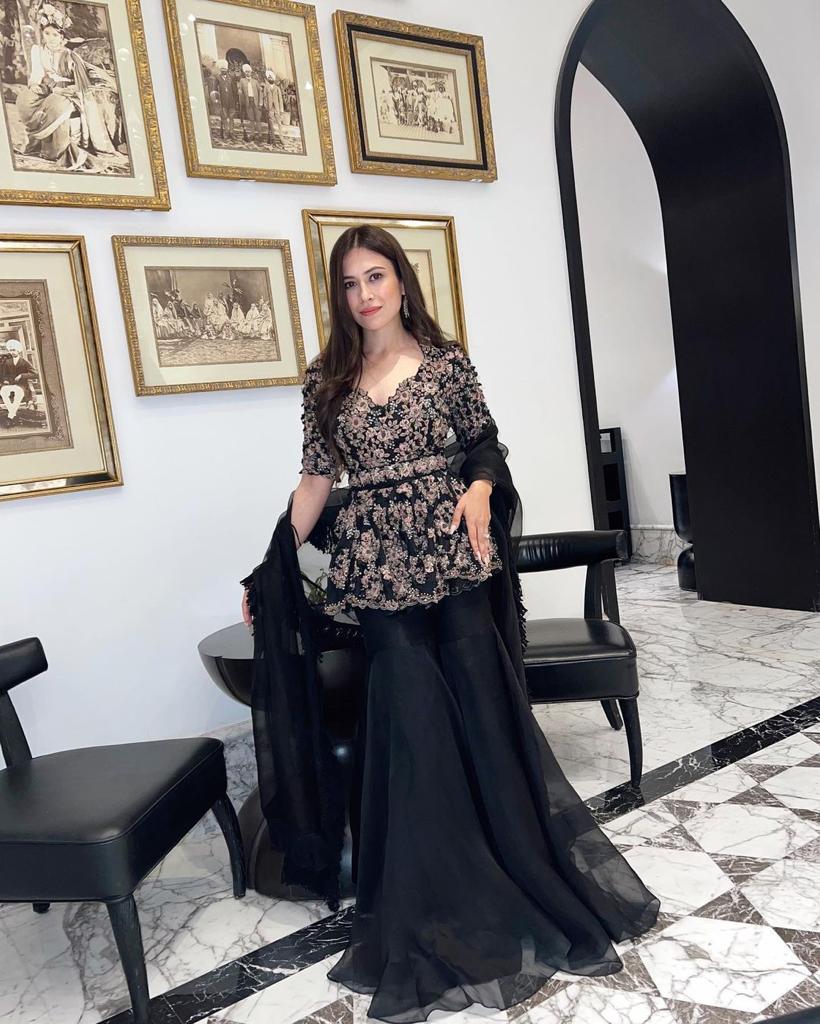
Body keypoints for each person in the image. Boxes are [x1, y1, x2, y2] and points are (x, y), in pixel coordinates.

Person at [242, 225, 659, 1023]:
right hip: (379, 571)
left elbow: (484, 446)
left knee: (480, 715)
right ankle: (434, 894)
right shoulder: (326, 380)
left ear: (401, 282)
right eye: (350, 283)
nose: (364, 295)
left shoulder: (446, 363)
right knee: (413, 729)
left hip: (453, 558)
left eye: (376, 277)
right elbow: (315, 483)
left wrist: (478, 488)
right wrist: (270, 566)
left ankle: (513, 873)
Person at [16, 2, 124, 170]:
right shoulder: (39, 50)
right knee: (25, 98)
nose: (50, 38)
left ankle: (57, 150)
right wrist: (35, 84)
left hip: (69, 91)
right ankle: (35, 142)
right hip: (49, 87)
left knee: (56, 104)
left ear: (62, 38)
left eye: (55, 35)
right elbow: (38, 73)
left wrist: (64, 90)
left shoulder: (69, 56)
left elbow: (81, 84)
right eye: (47, 33)